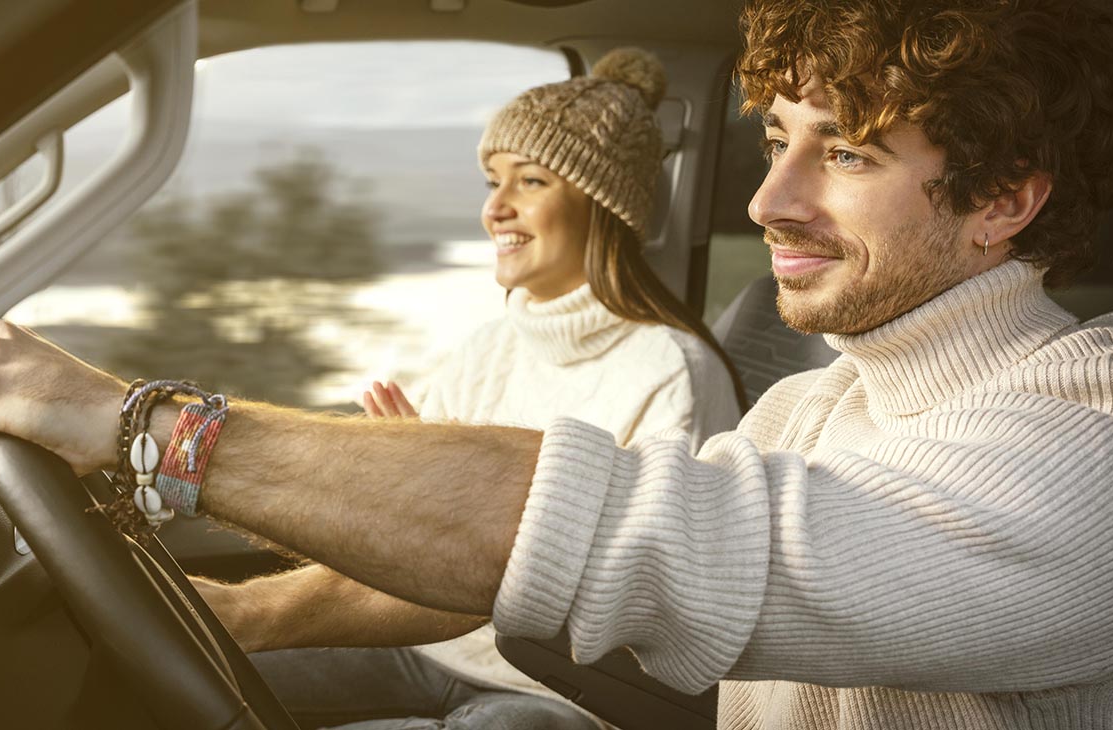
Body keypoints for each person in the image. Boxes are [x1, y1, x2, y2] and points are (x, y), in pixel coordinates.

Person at [0, 0, 1113, 728]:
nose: (767, 198)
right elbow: (568, 556)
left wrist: (142, 422)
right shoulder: (809, 409)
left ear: (1001, 198)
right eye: (776, 140)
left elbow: (625, 533)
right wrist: (232, 592)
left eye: (847, 153)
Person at [233, 47, 742, 729]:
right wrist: (399, 487)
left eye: (529, 182)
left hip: (557, 690)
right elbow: (416, 550)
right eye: (490, 183)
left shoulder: (669, 371)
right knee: (200, 670)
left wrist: (442, 507)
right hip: (425, 647)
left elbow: (640, 600)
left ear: (602, 201)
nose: (495, 209)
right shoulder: (490, 347)